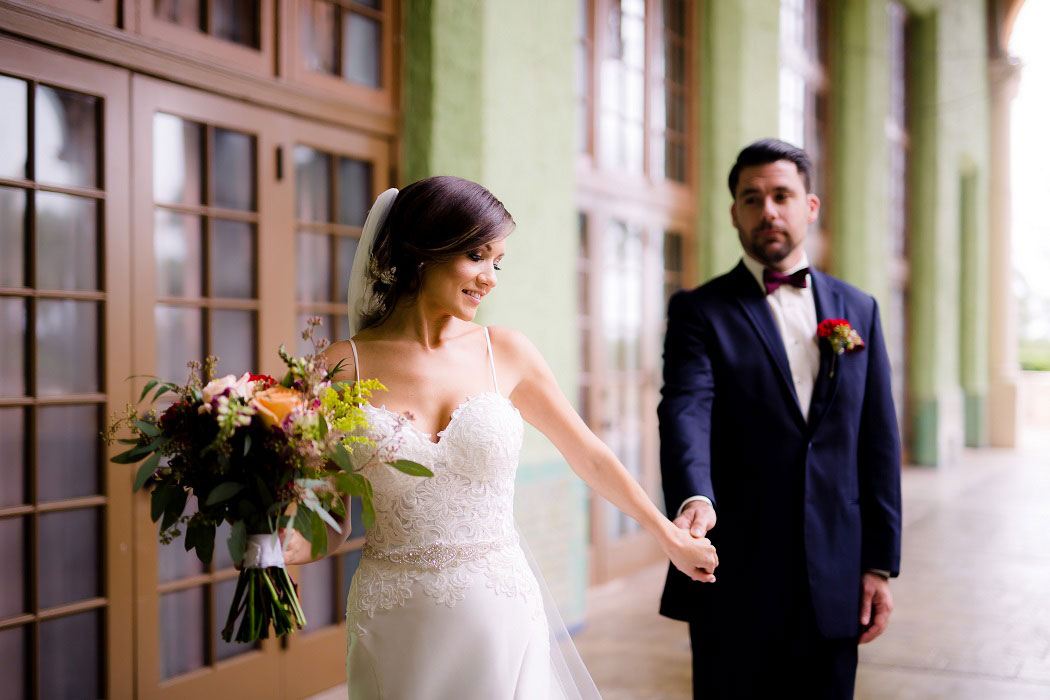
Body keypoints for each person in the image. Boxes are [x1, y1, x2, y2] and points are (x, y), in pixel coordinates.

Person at [281, 175, 719, 699]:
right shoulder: (335, 369)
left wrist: (667, 536)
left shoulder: (506, 352)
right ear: (423, 251)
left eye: (498, 261)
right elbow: (329, 523)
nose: (490, 277)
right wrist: (272, 545)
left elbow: (590, 456)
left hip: (499, 606)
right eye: (477, 255)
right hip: (393, 616)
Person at [658, 139, 902, 699]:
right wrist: (695, 497)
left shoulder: (858, 307)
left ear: (809, 206)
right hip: (734, 569)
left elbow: (878, 442)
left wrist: (879, 566)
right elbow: (685, 407)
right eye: (752, 198)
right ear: (734, 214)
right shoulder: (699, 310)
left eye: (781, 195)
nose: (767, 209)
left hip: (837, 571)